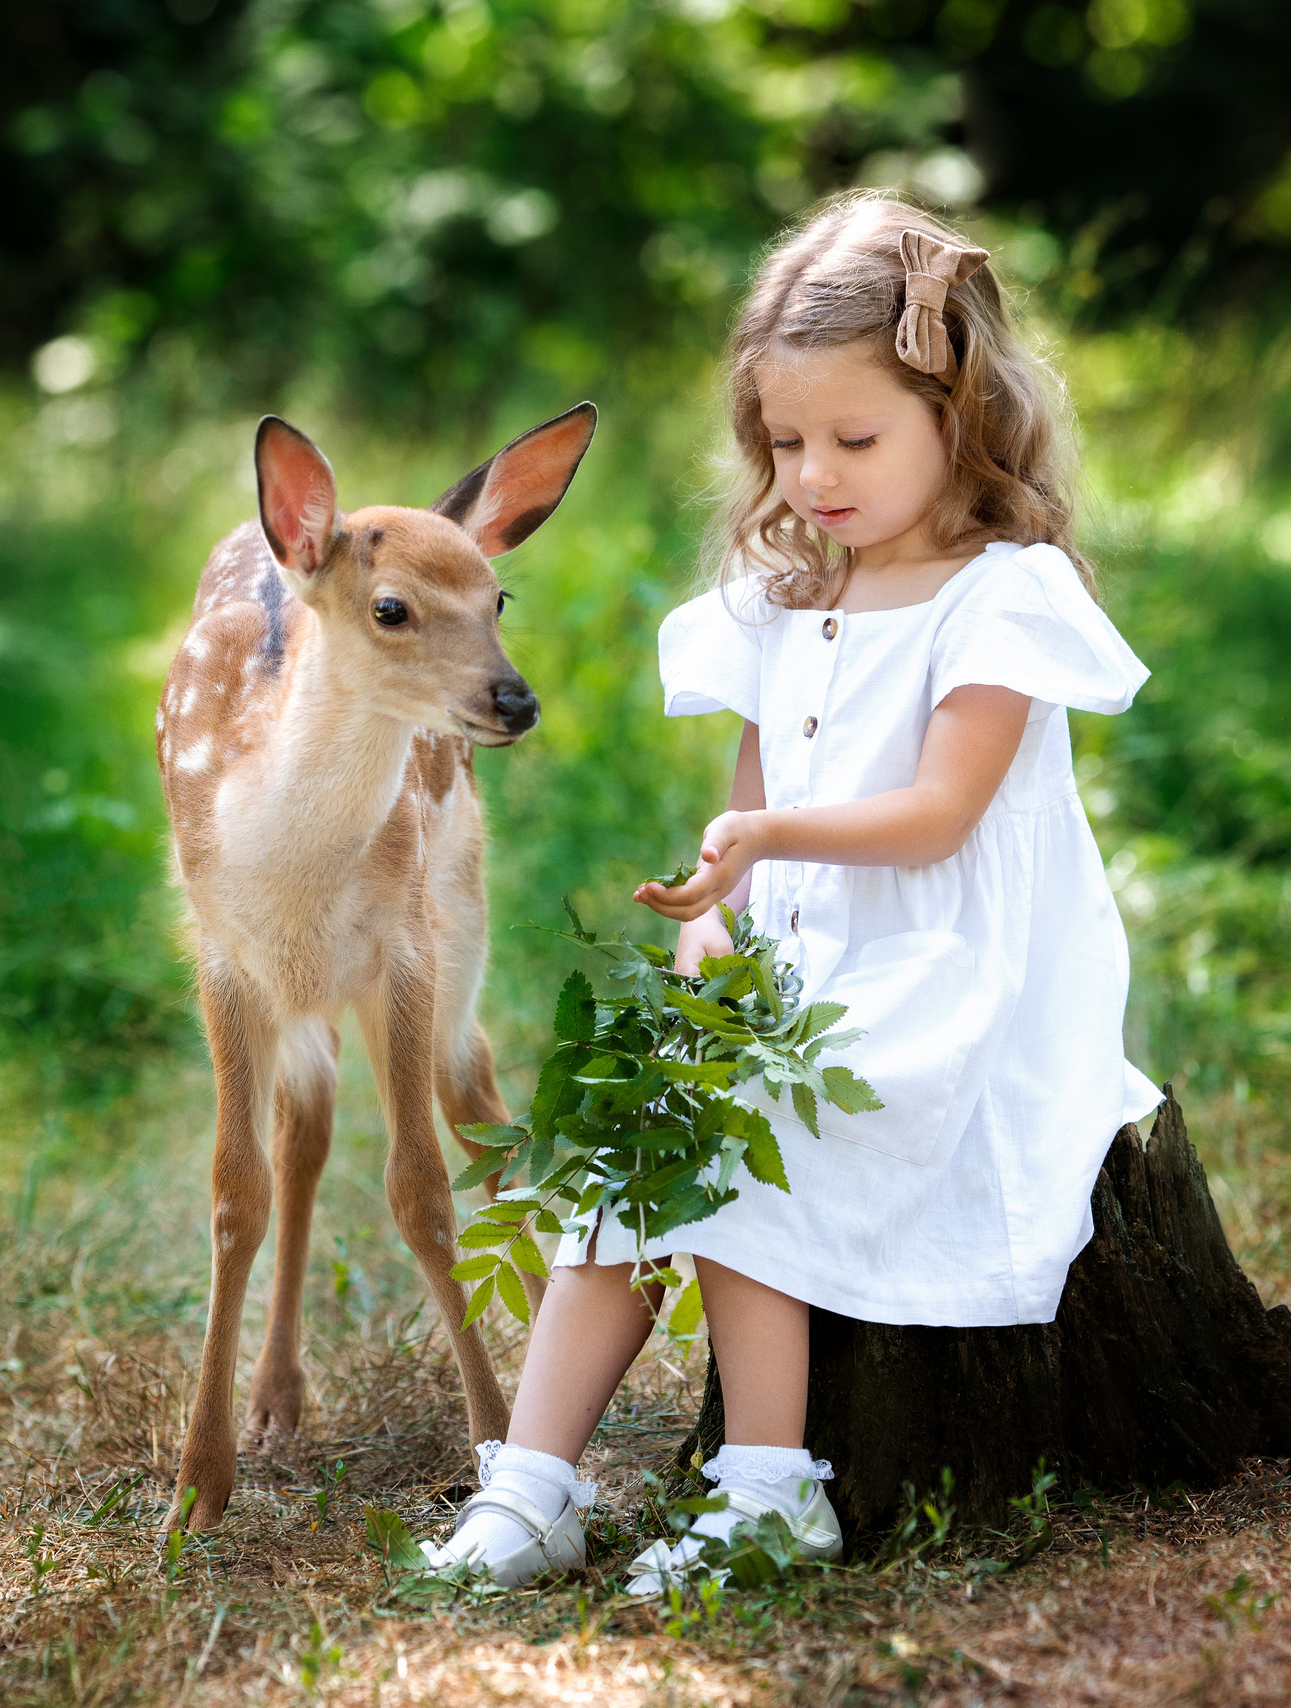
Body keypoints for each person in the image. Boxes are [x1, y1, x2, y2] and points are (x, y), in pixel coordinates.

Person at [421, 190, 1165, 1592]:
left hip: (950, 980)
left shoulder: (1001, 595)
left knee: (748, 1129)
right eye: (785, 442)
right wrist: (712, 919)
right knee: (642, 1134)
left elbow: (939, 815)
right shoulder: (787, 597)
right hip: (804, 977)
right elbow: (748, 815)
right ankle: (531, 1487)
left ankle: (771, 1494)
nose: (814, 474)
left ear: (962, 413)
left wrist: (761, 843)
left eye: (855, 439)